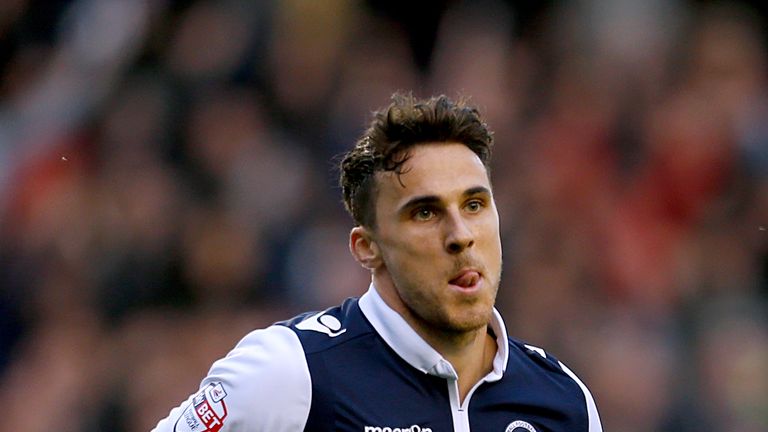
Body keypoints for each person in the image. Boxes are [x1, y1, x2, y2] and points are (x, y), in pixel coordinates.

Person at [151, 93, 602, 432]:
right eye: (425, 212)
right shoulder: (292, 371)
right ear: (367, 247)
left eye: (474, 205)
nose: (461, 235)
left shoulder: (563, 402)